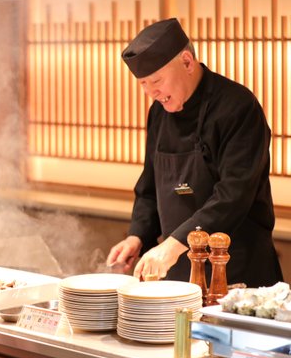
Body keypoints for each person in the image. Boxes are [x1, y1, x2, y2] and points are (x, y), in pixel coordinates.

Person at [107, 18, 283, 288]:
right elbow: (150, 187)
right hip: (177, 273)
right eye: (143, 84)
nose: (151, 93)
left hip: (237, 271)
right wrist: (138, 236)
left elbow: (233, 196)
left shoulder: (237, 108)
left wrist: (172, 246)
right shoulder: (159, 113)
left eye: (156, 80)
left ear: (187, 62)